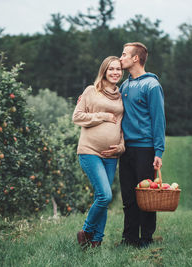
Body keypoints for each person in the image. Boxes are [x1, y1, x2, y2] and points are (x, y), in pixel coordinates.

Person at [72, 56, 125, 248]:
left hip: (111, 155)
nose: (115, 72)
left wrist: (121, 146)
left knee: (102, 198)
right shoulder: (90, 91)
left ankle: (96, 241)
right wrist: (101, 116)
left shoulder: (121, 95)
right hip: (90, 151)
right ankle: (86, 231)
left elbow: (121, 124)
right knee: (105, 195)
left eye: (118, 69)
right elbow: (77, 117)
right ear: (104, 71)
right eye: (111, 69)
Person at [118, 42, 166, 248]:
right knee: (128, 197)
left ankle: (146, 238)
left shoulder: (152, 86)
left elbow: (159, 120)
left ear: (135, 58)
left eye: (124, 54)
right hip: (125, 148)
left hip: (145, 149)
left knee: (145, 197)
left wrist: (159, 151)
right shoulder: (125, 86)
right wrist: (85, 99)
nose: (120, 58)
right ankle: (129, 238)